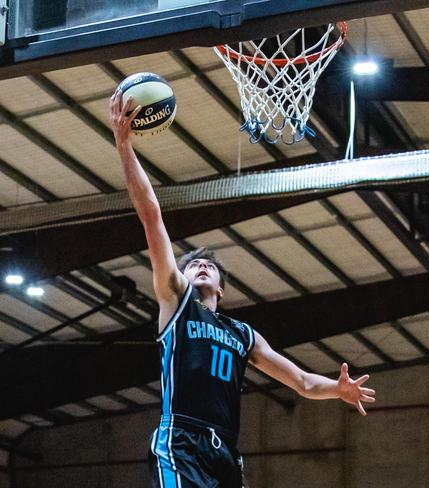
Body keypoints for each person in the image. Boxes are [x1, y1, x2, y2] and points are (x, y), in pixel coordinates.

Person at [109, 91, 375, 488]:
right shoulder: (176, 302)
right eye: (192, 265)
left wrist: (336, 391)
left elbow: (301, 382)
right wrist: (124, 145)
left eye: (208, 266)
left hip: (224, 453)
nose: (199, 266)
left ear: (221, 286)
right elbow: (151, 215)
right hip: (180, 440)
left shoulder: (242, 335)